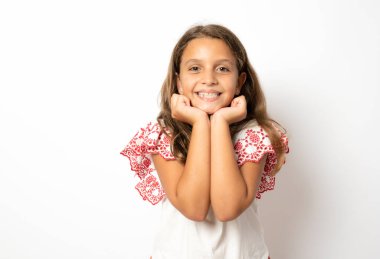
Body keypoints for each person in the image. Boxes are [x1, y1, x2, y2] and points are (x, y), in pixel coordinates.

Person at [120, 23, 289, 259]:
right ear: (178, 81)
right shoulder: (164, 135)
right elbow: (194, 208)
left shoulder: (254, 136)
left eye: (222, 68)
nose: (208, 79)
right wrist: (200, 123)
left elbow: (227, 208)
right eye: (195, 68)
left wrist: (219, 122)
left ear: (240, 82)